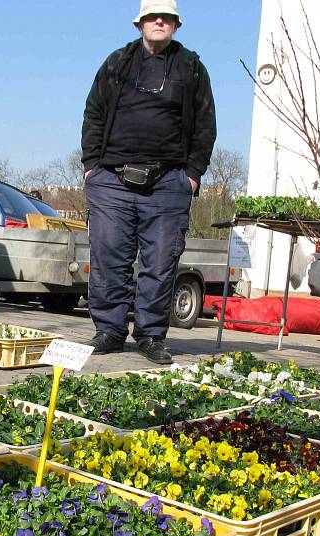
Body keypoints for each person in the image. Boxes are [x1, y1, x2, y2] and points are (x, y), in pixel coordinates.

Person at [81, 0, 216, 364]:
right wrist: (91, 166)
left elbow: (205, 124)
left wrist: (191, 175)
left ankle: (151, 336)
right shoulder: (117, 63)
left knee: (160, 262)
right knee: (108, 256)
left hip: (168, 181)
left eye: (167, 17)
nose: (160, 21)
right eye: (153, 16)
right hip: (112, 179)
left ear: (176, 24)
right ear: (140, 23)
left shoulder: (191, 67)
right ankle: (108, 330)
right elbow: (94, 111)